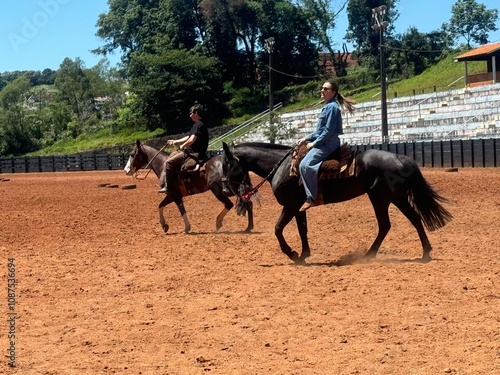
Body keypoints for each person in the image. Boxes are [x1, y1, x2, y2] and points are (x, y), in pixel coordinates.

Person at [298, 81, 355, 211]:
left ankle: (312, 197)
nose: (322, 90)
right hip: (324, 140)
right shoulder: (327, 107)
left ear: (333, 92)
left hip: (328, 143)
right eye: (322, 88)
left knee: (305, 165)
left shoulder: (332, 108)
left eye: (326, 89)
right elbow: (319, 131)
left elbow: (328, 131)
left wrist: (314, 144)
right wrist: (305, 138)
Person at [158, 104, 209, 193]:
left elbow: (191, 140)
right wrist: (176, 141)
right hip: (196, 152)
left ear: (195, 113)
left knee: (169, 163)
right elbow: (189, 137)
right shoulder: (199, 125)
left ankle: (168, 187)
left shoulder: (198, 125)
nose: (189, 115)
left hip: (193, 153)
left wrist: (183, 146)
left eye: (191, 113)